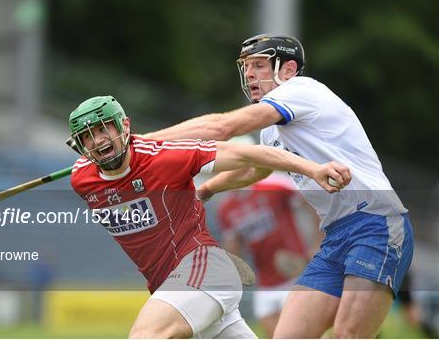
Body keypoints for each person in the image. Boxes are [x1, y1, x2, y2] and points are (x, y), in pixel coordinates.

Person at [144, 34, 414, 338]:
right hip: (336, 236)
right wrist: (204, 191)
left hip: (376, 225)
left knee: (348, 334)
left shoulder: (301, 90)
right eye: (246, 67)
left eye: (259, 65)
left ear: (287, 70)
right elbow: (254, 169)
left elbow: (222, 127)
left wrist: (142, 144)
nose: (249, 74)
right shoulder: (271, 132)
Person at [67, 95, 350, 339]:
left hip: (203, 269)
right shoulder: (81, 179)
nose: (99, 139)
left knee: (145, 335)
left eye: (105, 128)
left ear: (125, 126)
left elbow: (249, 156)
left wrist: (312, 169)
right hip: (170, 284)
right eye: (88, 135)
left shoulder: (166, 158)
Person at [217, 171, 323, 337]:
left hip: (294, 275)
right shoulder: (225, 209)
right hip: (265, 283)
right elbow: (236, 251)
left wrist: (318, 243)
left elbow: (314, 201)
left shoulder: (273, 184)